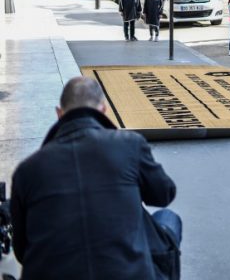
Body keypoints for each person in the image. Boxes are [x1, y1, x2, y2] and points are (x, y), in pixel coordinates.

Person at [10, 77, 181, 280]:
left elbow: (21, 250)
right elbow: (164, 195)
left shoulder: (26, 170)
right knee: (168, 218)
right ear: (103, 110)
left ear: (59, 113)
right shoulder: (129, 144)